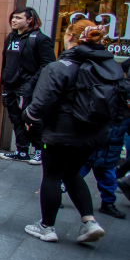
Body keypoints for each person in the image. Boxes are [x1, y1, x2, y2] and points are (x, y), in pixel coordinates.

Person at [23, 20, 116, 244]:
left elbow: (40, 105)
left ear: (70, 37)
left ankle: (47, 226)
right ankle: (89, 221)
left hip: (61, 132)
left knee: (53, 176)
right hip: (94, 133)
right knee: (72, 173)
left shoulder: (60, 67)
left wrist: (28, 118)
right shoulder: (106, 67)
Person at [0, 7, 54, 164]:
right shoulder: (11, 37)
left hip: (27, 86)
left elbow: (48, 64)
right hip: (10, 84)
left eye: (18, 18)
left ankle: (39, 151)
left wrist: (31, 83)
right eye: (13, 18)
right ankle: (22, 150)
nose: (14, 21)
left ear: (29, 20)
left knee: (33, 119)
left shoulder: (40, 39)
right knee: (15, 118)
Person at [80, 117, 130, 219]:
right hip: (91, 148)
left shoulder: (126, 115)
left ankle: (108, 204)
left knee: (109, 180)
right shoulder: (102, 105)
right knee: (74, 175)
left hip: (109, 153)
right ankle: (56, 195)